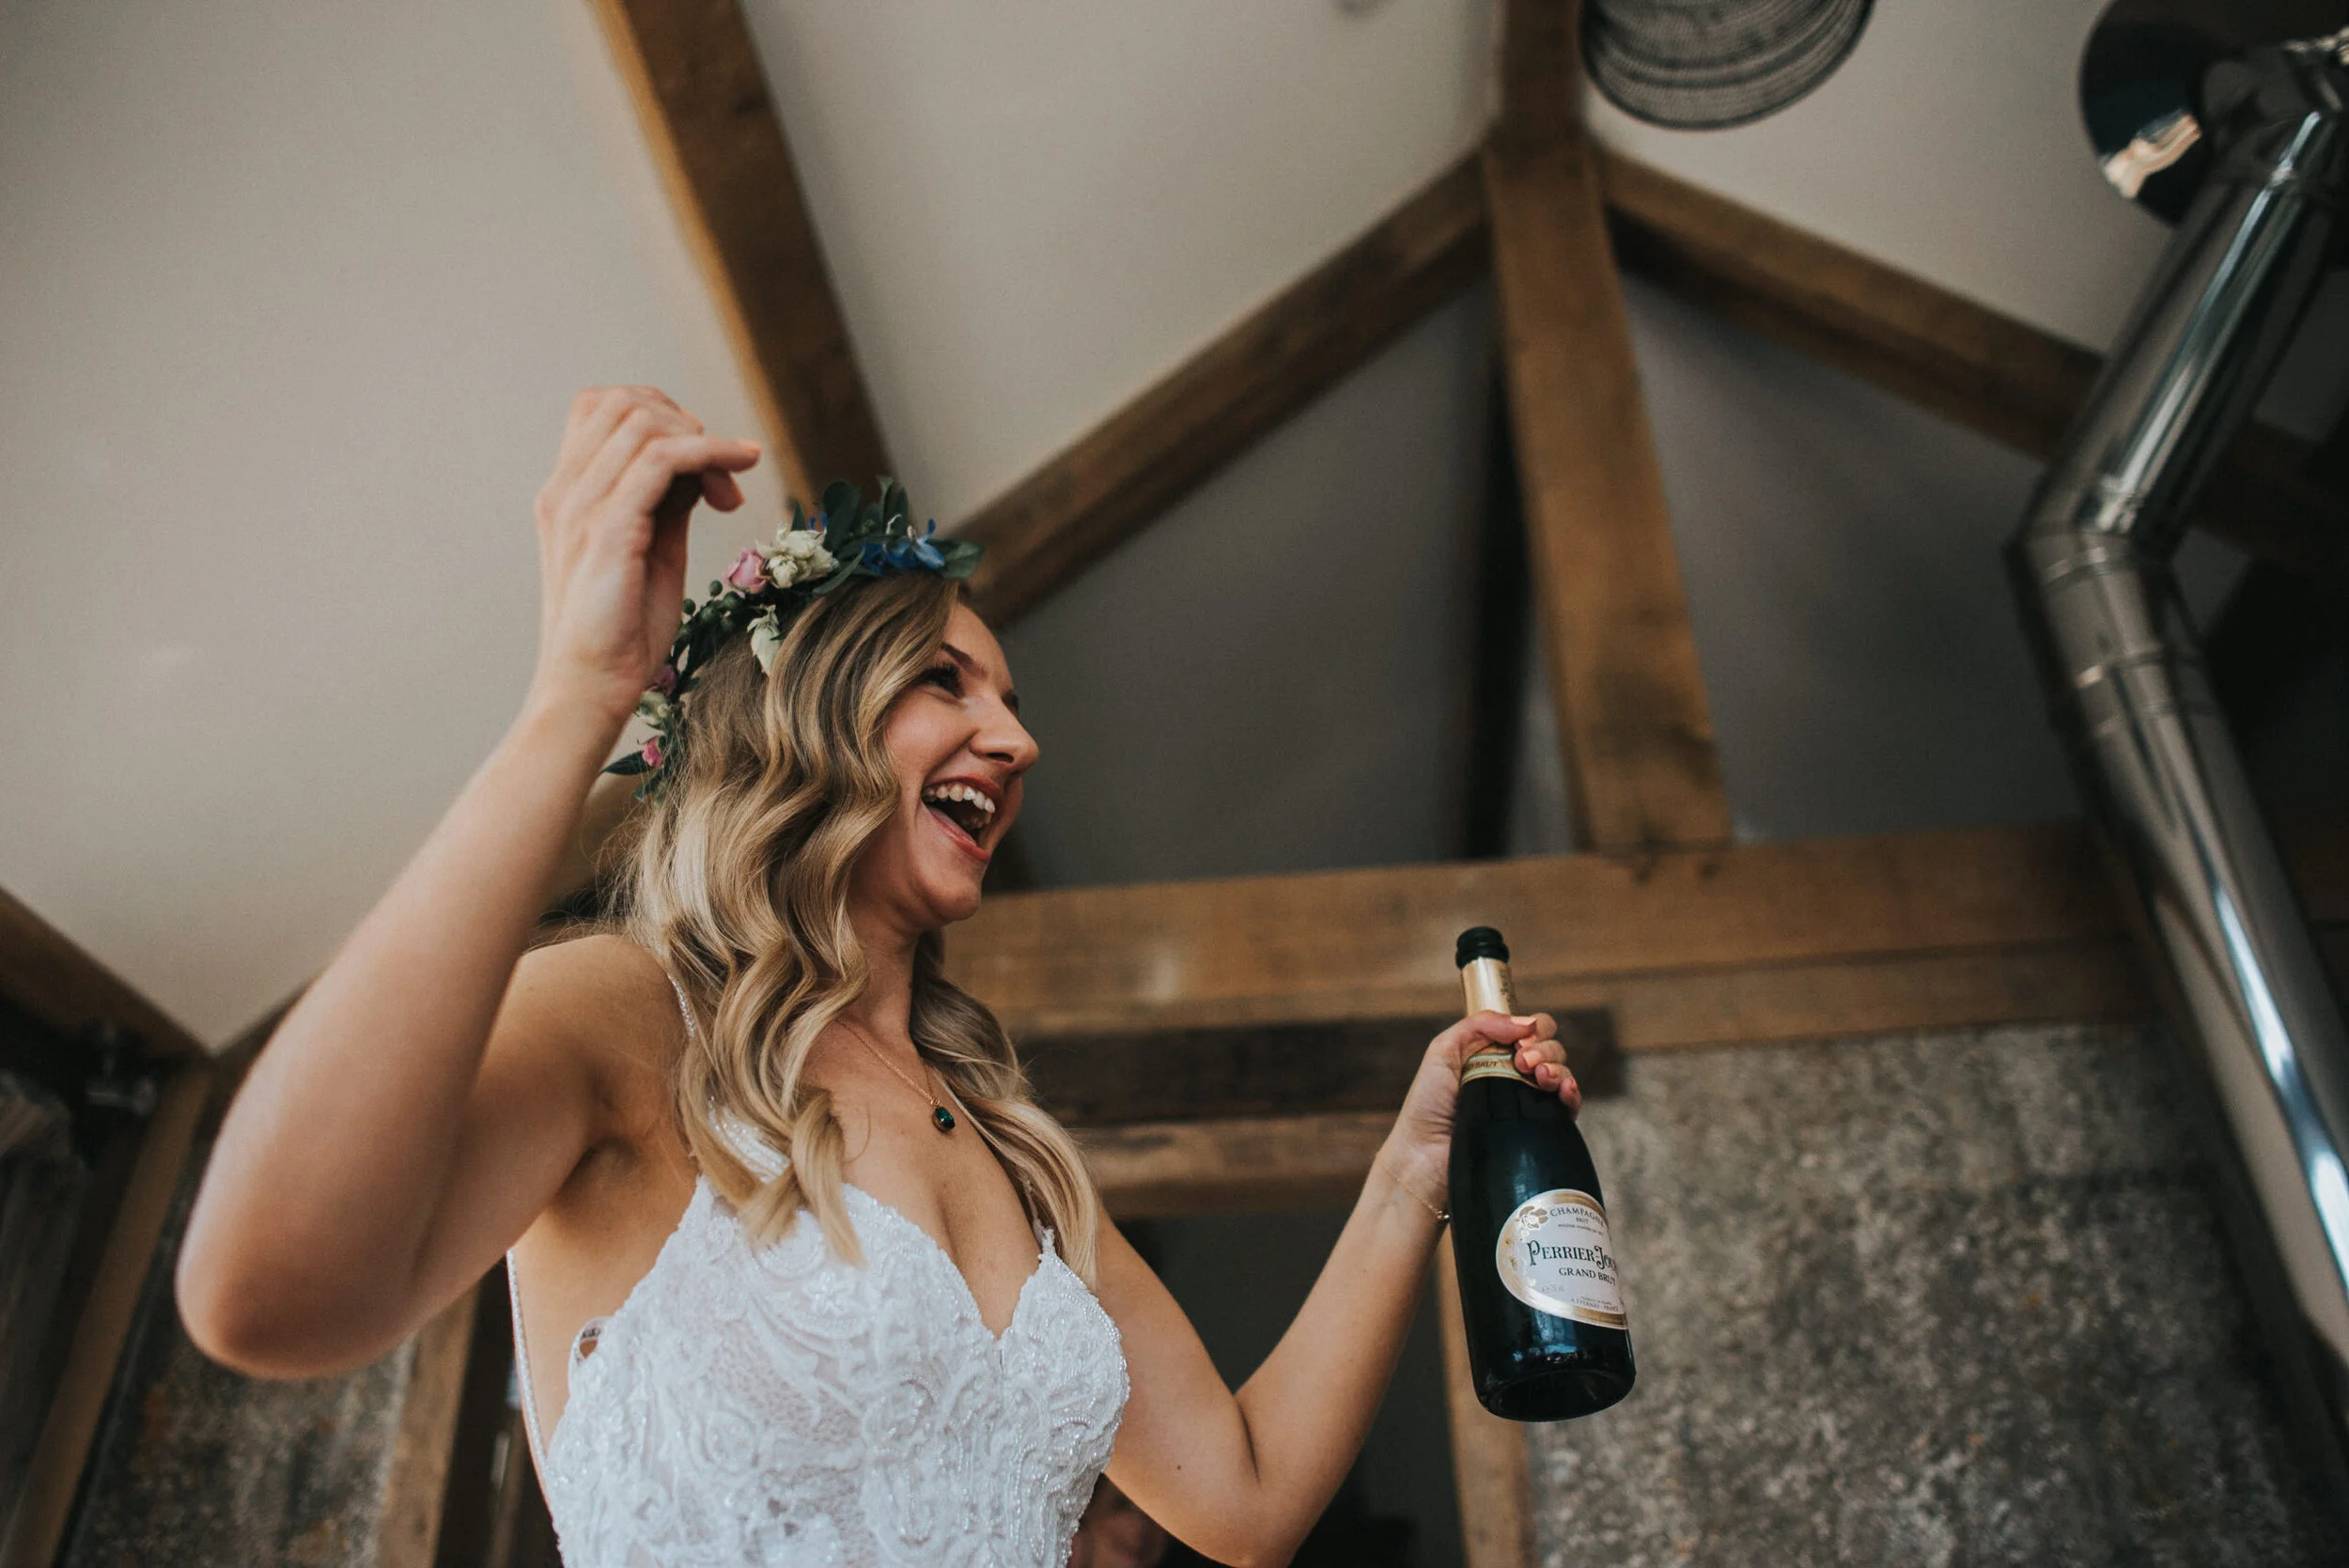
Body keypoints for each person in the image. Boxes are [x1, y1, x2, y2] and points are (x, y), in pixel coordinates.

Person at [176, 386, 1581, 1568]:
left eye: (1015, 707)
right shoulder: (627, 1019)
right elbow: (265, 1289)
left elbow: (1248, 1493)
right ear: (805, 717)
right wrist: (578, 695)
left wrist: (1410, 1176)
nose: (1017, 744)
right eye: (950, 685)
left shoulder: (1017, 1152)